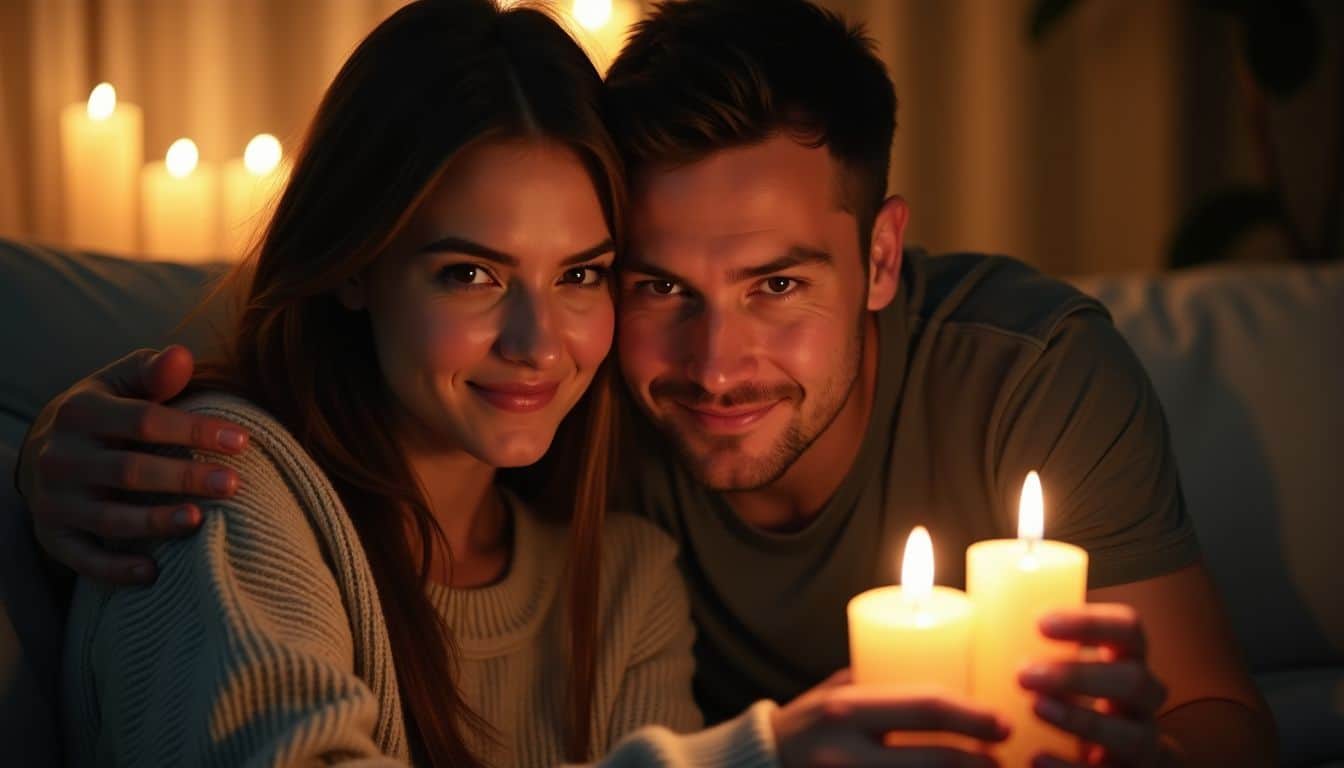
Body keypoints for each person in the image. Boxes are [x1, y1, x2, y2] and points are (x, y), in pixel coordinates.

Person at [18, 0, 1276, 765]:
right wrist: (42, 446)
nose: (714, 365)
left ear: (883, 255)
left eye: (779, 287)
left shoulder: (1016, 377)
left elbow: (1227, 722)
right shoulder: (538, 392)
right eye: (657, 286)